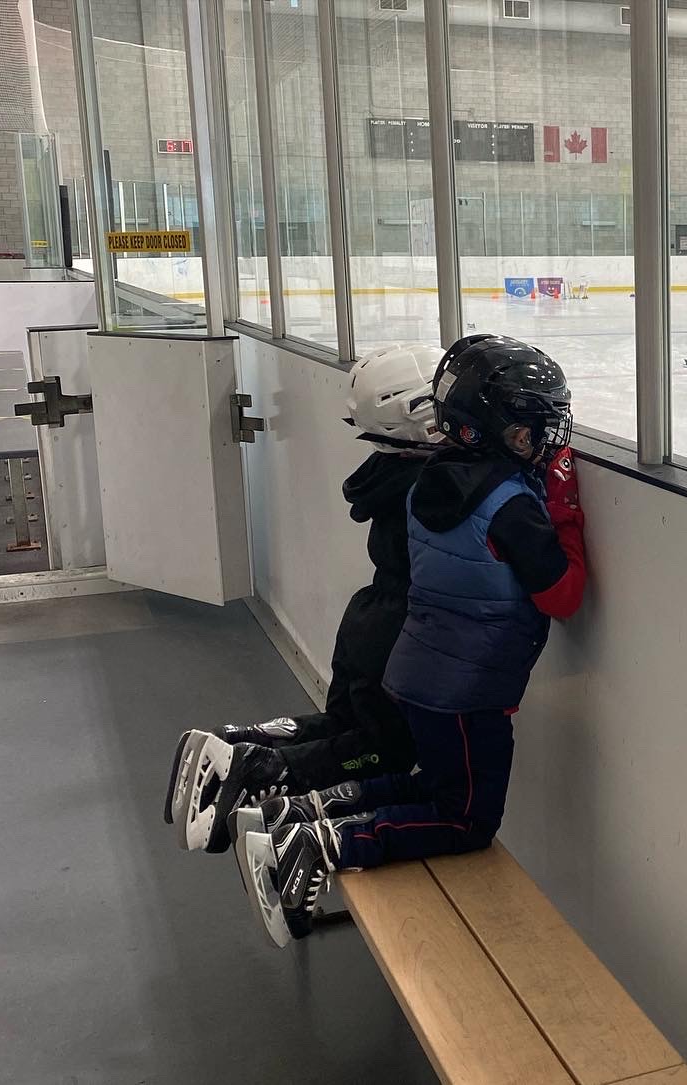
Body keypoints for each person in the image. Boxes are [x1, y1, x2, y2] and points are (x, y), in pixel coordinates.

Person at [233, 335, 588, 948]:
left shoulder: (426, 481)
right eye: (532, 429)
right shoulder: (512, 507)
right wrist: (564, 507)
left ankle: (303, 809)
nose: (544, 440)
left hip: (420, 674)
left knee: (432, 783)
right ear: (492, 431)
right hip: (468, 694)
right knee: (467, 820)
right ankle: (325, 841)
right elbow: (563, 594)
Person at [164, 342, 455, 854]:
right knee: (381, 749)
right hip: (400, 631)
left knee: (345, 725)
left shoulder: (388, 469)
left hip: (369, 616)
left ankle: (236, 741)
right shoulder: (434, 484)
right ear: (421, 417)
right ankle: (265, 767)